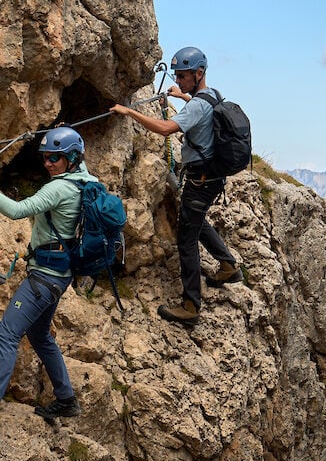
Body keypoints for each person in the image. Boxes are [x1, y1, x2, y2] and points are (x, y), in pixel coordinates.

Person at [110, 46, 242, 326]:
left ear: (199, 73)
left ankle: (191, 305)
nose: (179, 80)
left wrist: (129, 113)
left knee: (186, 240)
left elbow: (166, 129)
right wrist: (182, 96)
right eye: (178, 76)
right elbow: (200, 111)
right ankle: (228, 265)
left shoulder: (196, 104)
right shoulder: (212, 95)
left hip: (200, 180)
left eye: (183, 77)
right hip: (213, 178)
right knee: (196, 220)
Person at [0, 126, 96, 419]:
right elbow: (78, 155)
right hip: (61, 274)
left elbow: (18, 211)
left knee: (6, 334)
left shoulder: (58, 188)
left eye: (54, 158)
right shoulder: (87, 180)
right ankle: (66, 399)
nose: (47, 164)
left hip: (43, 276)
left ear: (70, 158)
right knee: (40, 336)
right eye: (45, 157)